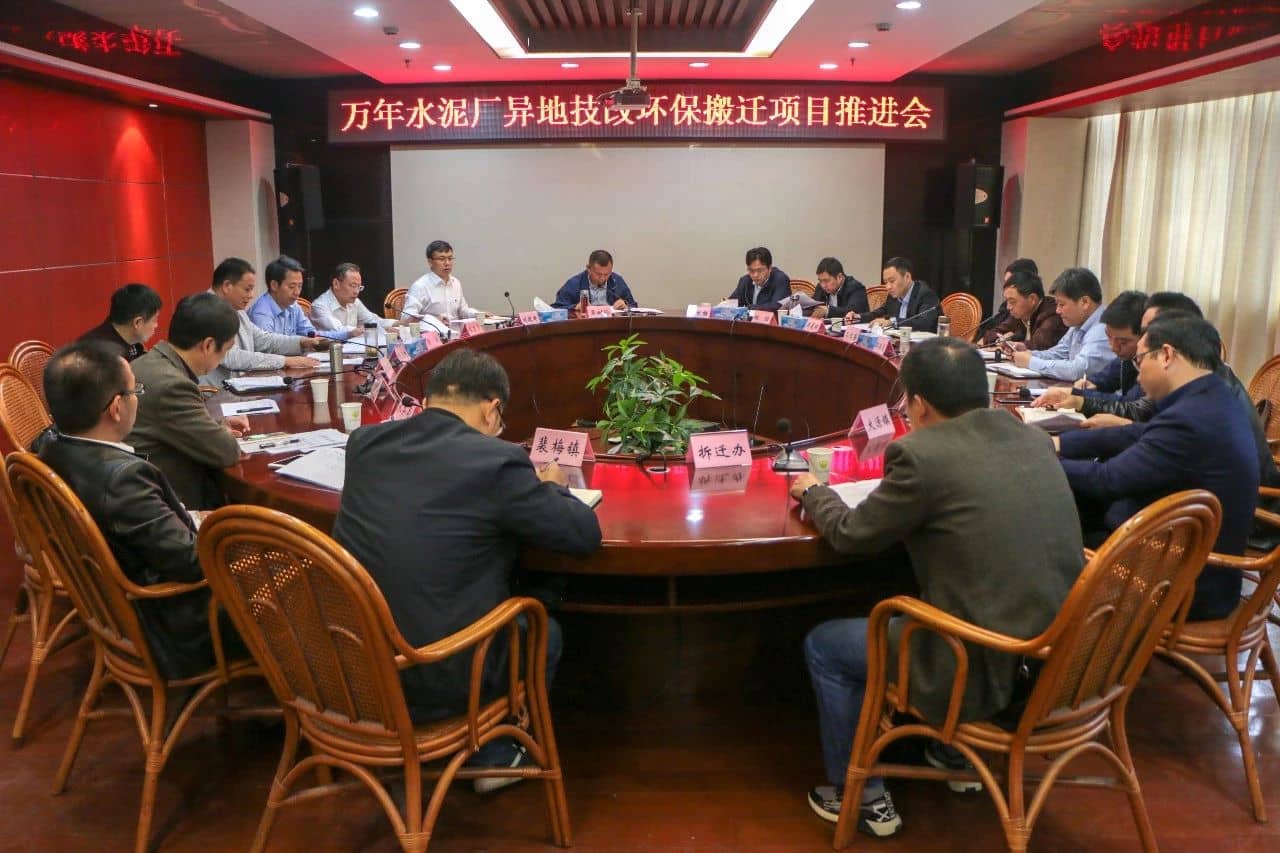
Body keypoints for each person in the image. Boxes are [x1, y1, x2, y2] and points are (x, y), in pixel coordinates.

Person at [790, 338, 1083, 837]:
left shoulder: (921, 454)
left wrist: (814, 492)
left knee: (826, 645)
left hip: (981, 667)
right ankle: (951, 754)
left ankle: (860, 796)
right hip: (1062, 658)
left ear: (919, 404)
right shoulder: (1031, 438)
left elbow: (851, 535)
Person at [332, 349, 602, 788]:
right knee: (544, 629)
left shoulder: (365, 443)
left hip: (348, 665)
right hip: (438, 673)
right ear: (492, 409)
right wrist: (553, 488)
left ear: (430, 399)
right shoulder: (496, 462)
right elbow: (582, 535)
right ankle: (495, 754)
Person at [39, 340, 247, 678]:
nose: (138, 398)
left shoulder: (49, 446)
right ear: (116, 408)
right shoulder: (123, 479)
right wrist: (232, 534)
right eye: (136, 391)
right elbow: (192, 562)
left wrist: (197, 519)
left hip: (113, 604)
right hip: (174, 624)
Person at [1057, 312, 1258, 620]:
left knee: (1051, 526)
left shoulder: (1190, 418)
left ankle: (1045, 635)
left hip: (1178, 583)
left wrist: (1041, 460)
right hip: (1191, 559)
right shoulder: (1212, 395)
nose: (1137, 377)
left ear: (1166, 355)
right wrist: (1059, 444)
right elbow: (1136, 434)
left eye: (1139, 361)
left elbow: (1107, 480)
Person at [128, 293, 248, 510]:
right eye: (226, 349)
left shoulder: (147, 363)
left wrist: (217, 425)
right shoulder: (173, 386)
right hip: (166, 506)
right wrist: (220, 432)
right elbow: (227, 451)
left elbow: (170, 424)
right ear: (208, 345)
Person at [204, 257, 319, 384]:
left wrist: (301, 342)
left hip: (238, 385)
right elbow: (231, 357)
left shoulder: (236, 310)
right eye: (247, 289)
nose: (251, 295)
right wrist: (285, 361)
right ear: (227, 286)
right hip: (214, 392)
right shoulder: (207, 311)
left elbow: (262, 340)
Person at [1032, 290, 1147, 412]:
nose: (1113, 347)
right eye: (1108, 337)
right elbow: (1107, 377)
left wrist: (1078, 396)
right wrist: (1090, 383)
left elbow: (1130, 405)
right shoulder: (1126, 356)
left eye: (1122, 342)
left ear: (1145, 336)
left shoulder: (1151, 363)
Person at [1005, 267, 1112, 381]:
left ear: (1085, 302)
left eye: (1062, 304)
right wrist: (1028, 353)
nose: (1057, 311)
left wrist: (1031, 362)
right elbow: (1058, 354)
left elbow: (1077, 370)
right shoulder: (1078, 323)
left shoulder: (1103, 329)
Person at [980, 270, 1066, 350]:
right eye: (1007, 301)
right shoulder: (1020, 314)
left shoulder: (1052, 313)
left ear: (1032, 299)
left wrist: (1011, 343)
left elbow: (1038, 345)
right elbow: (991, 334)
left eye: (1012, 302)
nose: (1008, 307)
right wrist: (999, 340)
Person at [402, 240, 484, 324]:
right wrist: (433, 319)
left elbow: (463, 311)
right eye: (442, 259)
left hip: (455, 330)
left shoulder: (456, 283)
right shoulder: (420, 286)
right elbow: (407, 317)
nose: (447, 263)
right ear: (430, 262)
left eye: (450, 258)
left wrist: (478, 314)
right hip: (433, 330)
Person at [850, 257, 940, 333]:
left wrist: (892, 322)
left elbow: (924, 323)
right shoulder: (894, 295)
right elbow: (881, 312)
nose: (888, 287)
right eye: (886, 282)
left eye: (892, 281)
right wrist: (859, 317)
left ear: (907, 277)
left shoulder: (926, 294)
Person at [77, 283, 162, 362]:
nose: (156, 325)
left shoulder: (133, 344)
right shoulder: (99, 355)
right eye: (154, 320)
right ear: (137, 322)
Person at [309, 262, 396, 339]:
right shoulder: (319, 306)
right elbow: (339, 331)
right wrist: (371, 329)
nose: (356, 292)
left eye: (359, 287)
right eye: (353, 286)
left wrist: (397, 323)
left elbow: (372, 321)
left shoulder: (355, 302)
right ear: (336, 284)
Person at [247, 254, 321, 338]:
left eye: (300, 286)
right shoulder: (261, 313)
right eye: (292, 287)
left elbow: (310, 332)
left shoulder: (294, 306)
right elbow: (269, 344)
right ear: (274, 285)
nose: (297, 292)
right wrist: (300, 342)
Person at [552, 249, 637, 310]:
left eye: (606, 274)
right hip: (585, 325)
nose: (602, 278)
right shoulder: (574, 284)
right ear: (588, 269)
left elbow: (634, 306)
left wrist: (626, 306)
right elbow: (557, 307)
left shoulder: (617, 280)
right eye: (598, 274)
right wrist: (575, 307)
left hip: (612, 324)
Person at [728, 247, 791, 312]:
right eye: (751, 270)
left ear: (770, 268)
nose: (755, 275)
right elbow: (731, 303)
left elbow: (776, 306)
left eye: (760, 270)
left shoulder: (781, 280)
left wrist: (748, 308)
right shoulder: (744, 281)